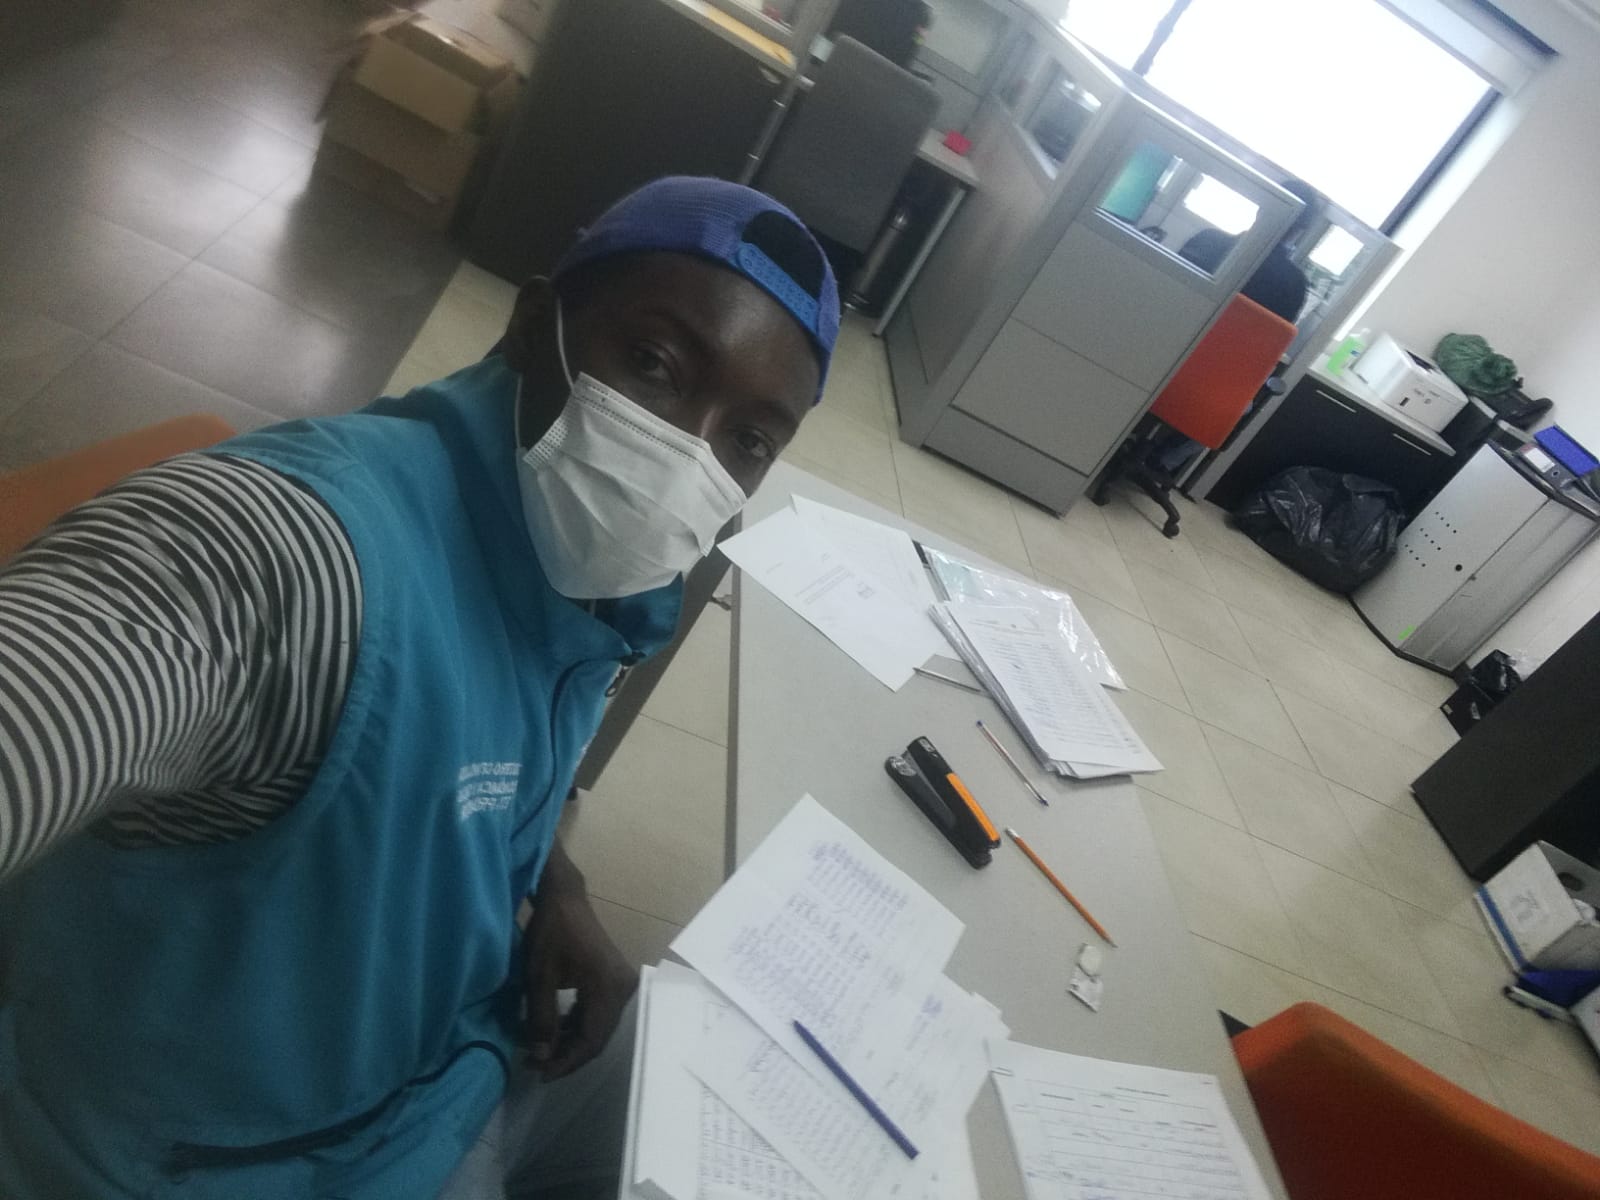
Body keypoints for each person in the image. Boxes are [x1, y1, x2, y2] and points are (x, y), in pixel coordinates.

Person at [0, 177, 839, 1199]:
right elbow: (111, 644)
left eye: (748, 439)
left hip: (446, 1068)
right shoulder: (297, 555)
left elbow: (461, 740)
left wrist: (553, 882)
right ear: (534, 326)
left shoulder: (575, 583)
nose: (686, 456)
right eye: (655, 364)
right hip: (224, 1164)